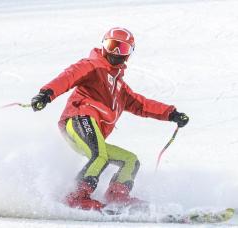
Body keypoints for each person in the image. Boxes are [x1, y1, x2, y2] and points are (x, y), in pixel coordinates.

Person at [31, 27, 189, 211]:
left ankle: (117, 196)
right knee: (100, 156)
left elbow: (142, 104)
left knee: (130, 160)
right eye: (112, 45)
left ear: (129, 54)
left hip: (92, 130)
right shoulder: (92, 65)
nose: (115, 52)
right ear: (103, 45)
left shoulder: (120, 88)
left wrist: (172, 114)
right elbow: (69, 76)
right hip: (79, 118)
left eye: (122, 49)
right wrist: (46, 94)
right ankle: (76, 196)